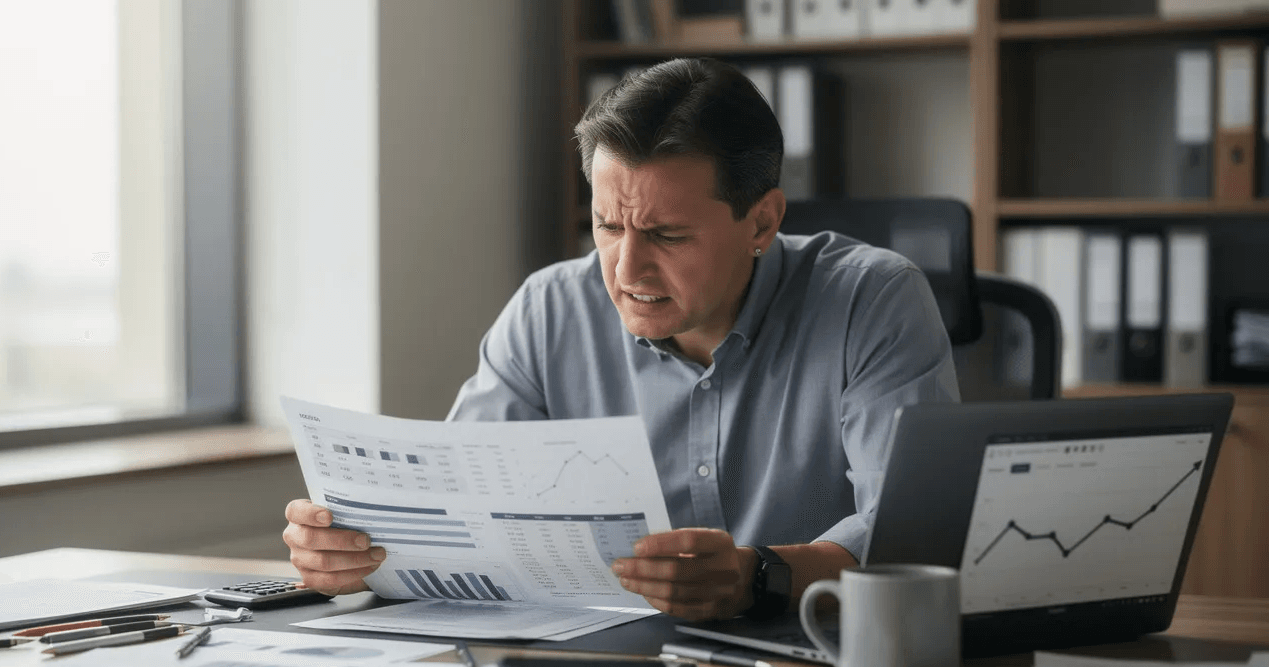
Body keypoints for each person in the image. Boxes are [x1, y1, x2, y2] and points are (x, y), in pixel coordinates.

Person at [284, 57, 959, 622]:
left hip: (813, 650)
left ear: (761, 222)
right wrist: (358, 555)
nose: (626, 269)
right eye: (608, 226)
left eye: (666, 234)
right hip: (596, 655)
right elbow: (459, 519)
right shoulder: (549, 310)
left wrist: (759, 576)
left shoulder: (872, 300)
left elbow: (915, 530)